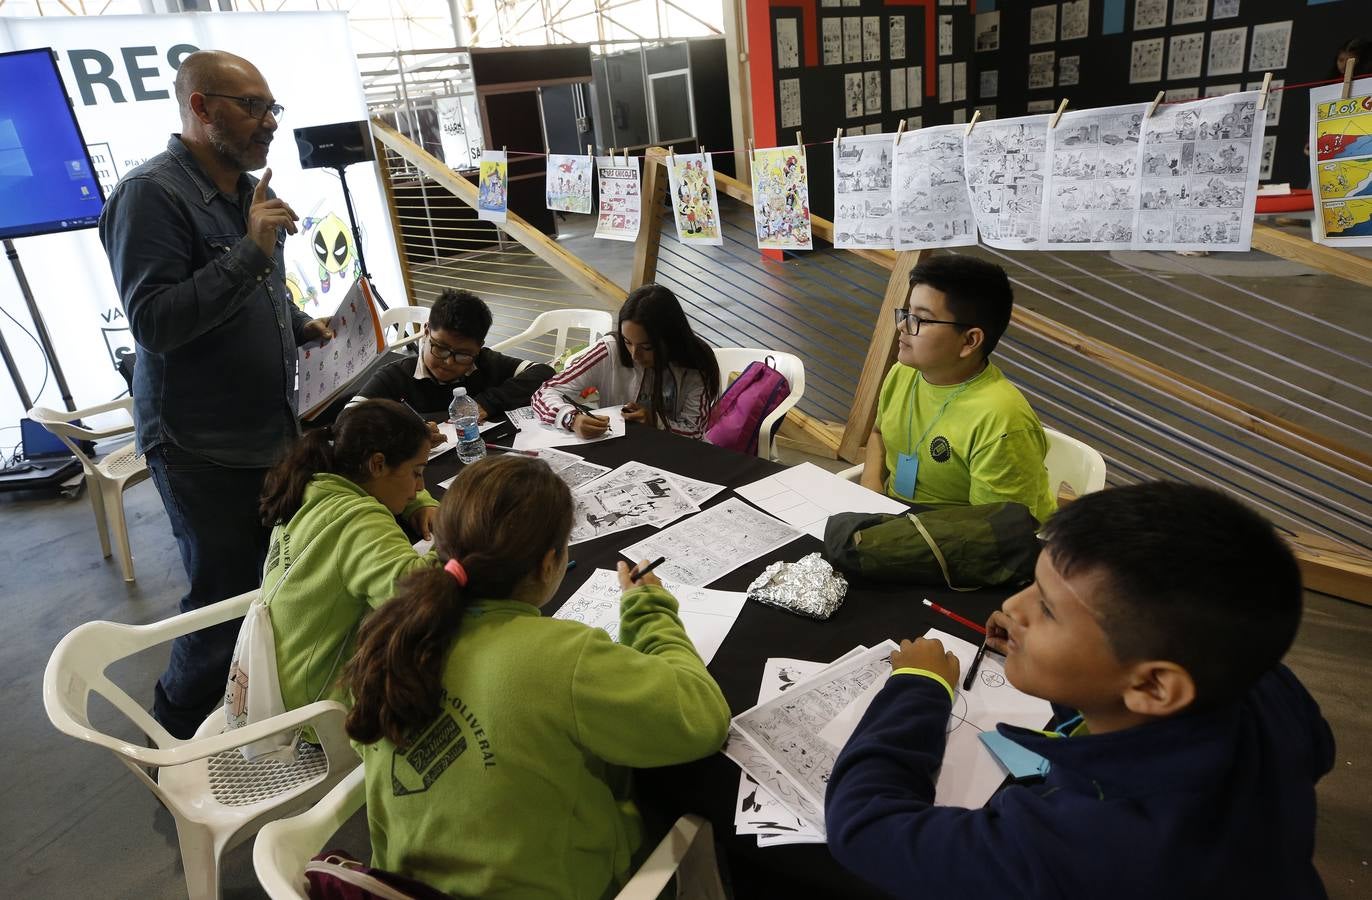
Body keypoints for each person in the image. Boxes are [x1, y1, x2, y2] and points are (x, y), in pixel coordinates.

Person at [825, 483, 1334, 899]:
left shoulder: (1087, 847)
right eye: (1034, 582)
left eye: (1047, 609)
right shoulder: (1257, 680)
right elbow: (1319, 749)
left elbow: (865, 827)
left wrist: (919, 686)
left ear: (1154, 685)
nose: (1012, 607)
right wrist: (1055, 660)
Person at [342, 454, 730, 899]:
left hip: (405, 887)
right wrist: (649, 610)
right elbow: (702, 716)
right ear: (549, 564)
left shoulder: (391, 635)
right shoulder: (562, 657)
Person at [98, 50, 332, 738]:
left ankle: (250, 703)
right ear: (200, 108)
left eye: (272, 108)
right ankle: (169, 728)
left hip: (264, 427)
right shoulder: (151, 196)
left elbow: (252, 291)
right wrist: (250, 252)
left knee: (271, 577)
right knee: (225, 594)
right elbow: (157, 323)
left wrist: (298, 322)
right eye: (251, 106)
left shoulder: (241, 190)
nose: (268, 123)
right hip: (200, 442)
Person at [255, 400, 438, 712]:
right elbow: (420, 600)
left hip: (277, 685)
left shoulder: (313, 485)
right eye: (416, 472)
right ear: (377, 464)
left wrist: (418, 501)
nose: (419, 486)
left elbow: (402, 492)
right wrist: (466, 540)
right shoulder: (358, 519)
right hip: (320, 712)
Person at [860, 256, 1056, 524]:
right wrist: (870, 494)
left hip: (959, 540)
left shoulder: (1002, 421)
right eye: (907, 313)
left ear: (970, 341)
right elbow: (879, 433)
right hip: (898, 521)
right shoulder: (902, 373)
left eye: (922, 319)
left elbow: (995, 533)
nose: (902, 326)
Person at [350, 289, 555, 443]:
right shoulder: (395, 376)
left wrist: (487, 403)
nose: (448, 362)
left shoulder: (485, 362)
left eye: (463, 355)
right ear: (426, 331)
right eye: (440, 348)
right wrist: (404, 432)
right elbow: (347, 420)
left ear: (479, 348)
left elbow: (544, 373)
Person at [532, 285, 720, 439]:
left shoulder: (695, 365)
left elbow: (696, 430)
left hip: (675, 455)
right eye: (627, 342)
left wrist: (656, 422)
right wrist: (571, 419)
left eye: (646, 347)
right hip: (622, 448)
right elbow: (546, 392)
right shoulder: (610, 350)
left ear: (670, 339)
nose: (634, 355)